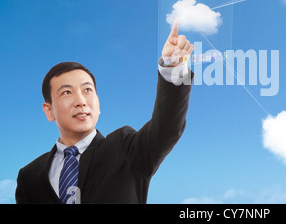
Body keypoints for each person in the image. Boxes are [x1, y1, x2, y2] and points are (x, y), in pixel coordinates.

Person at [15, 20, 194, 203]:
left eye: (87, 90)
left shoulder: (125, 149)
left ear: (98, 104)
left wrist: (173, 67)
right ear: (49, 110)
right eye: (67, 92)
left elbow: (167, 127)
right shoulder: (29, 176)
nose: (81, 101)